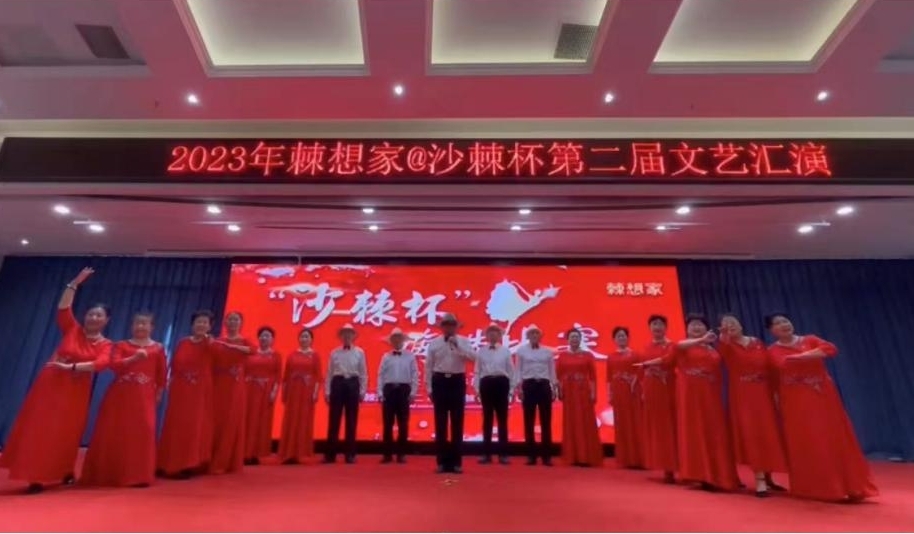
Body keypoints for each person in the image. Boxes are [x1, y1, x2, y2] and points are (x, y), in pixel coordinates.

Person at [0, 267, 113, 494]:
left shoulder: (106, 344)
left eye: (99, 315)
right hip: (50, 385)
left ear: (106, 320)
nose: (93, 318)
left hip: (75, 391)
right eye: (91, 314)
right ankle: (35, 475)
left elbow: (101, 364)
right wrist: (75, 283)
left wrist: (71, 367)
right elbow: (63, 308)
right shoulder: (72, 330)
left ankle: (64, 470)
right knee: (40, 428)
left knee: (65, 432)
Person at [765, 313, 878, 503]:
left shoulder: (810, 339)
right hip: (795, 402)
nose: (784, 324)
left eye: (786, 320)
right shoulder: (772, 351)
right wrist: (808, 356)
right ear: (771, 330)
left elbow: (830, 349)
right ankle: (820, 489)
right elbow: (780, 367)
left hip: (822, 397)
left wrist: (799, 356)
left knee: (834, 438)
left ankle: (850, 486)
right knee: (809, 442)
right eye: (778, 323)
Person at [81, 312, 167, 487]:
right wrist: (133, 358)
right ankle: (107, 474)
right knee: (114, 431)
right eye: (137, 323)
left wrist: (158, 394)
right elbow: (114, 366)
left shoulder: (158, 348)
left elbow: (162, 374)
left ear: (152, 327)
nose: (140, 326)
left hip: (144, 396)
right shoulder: (121, 345)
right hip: (119, 395)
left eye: (144, 323)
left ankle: (138, 476)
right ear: (132, 326)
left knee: (142, 431)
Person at [718, 313, 787, 497]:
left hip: (764, 393)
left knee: (768, 433)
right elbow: (723, 346)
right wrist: (724, 335)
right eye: (726, 324)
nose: (730, 325)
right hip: (744, 396)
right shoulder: (726, 346)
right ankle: (759, 479)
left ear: (741, 324)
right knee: (753, 434)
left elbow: (769, 366)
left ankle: (769, 476)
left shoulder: (757, 342)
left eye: (733, 322)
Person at [669, 314, 739, 492]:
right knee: (696, 432)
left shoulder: (711, 349)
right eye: (692, 325)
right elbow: (677, 346)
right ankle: (703, 475)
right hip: (691, 398)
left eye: (700, 325)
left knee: (714, 433)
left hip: (711, 396)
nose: (696, 327)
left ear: (707, 328)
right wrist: (701, 340)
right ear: (687, 329)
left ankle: (720, 475)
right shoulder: (684, 346)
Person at [157, 310, 216, 478]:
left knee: (192, 425)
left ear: (210, 326)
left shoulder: (211, 343)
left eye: (205, 322)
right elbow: (174, 364)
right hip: (179, 388)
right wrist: (169, 380)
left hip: (198, 390)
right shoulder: (183, 342)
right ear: (192, 324)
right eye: (198, 321)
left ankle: (186, 464)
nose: (201, 325)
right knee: (174, 424)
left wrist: (208, 341)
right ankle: (166, 462)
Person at [425, 312, 475, 474]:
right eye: (446, 325)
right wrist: (429, 388)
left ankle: (456, 462)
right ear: (442, 327)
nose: (449, 328)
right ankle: (441, 462)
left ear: (456, 327)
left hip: (457, 381)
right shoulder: (434, 343)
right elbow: (428, 366)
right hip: (440, 381)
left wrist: (458, 346)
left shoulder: (464, 341)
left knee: (457, 422)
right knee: (440, 423)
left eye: (452, 325)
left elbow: (473, 358)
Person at [211, 311, 255, 475]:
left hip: (235, 385)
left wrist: (232, 346)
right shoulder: (218, 341)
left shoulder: (244, 341)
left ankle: (226, 460)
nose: (233, 322)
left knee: (231, 420)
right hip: (218, 384)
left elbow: (253, 350)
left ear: (241, 323)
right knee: (216, 420)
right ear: (225, 322)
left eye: (236, 319)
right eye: (230, 319)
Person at [637, 314, 677, 483]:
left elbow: (670, 362)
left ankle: (676, 466)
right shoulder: (646, 347)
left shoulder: (672, 346)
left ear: (666, 327)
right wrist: (643, 390)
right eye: (654, 324)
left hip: (668, 388)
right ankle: (665, 466)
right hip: (651, 390)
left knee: (671, 426)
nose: (657, 327)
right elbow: (641, 371)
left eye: (660, 324)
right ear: (650, 328)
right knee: (657, 427)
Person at [555, 328, 603, 467]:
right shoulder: (562, 356)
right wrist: (559, 391)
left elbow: (592, 377)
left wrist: (593, 393)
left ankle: (586, 455)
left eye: (576, 337)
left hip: (583, 392)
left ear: (580, 339)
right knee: (571, 421)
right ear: (567, 340)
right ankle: (573, 455)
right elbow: (558, 376)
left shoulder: (587, 355)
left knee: (585, 421)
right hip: (569, 392)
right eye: (572, 337)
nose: (574, 339)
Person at [323, 323, 367, 464]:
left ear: (353, 336)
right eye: (344, 333)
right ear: (341, 336)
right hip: (338, 383)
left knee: (351, 420)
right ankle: (330, 454)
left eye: (350, 333)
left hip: (353, 384)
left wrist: (362, 390)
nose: (347, 336)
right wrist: (327, 391)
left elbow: (363, 373)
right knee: (334, 420)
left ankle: (350, 454)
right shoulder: (334, 352)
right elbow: (329, 373)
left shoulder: (360, 352)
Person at [514, 324, 556, 466]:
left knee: (546, 421)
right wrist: (518, 388)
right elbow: (518, 370)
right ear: (527, 336)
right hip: (529, 385)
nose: (534, 336)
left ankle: (547, 456)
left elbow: (551, 370)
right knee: (529, 421)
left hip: (544, 385)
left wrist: (554, 387)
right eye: (531, 333)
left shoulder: (547, 352)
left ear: (540, 336)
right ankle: (531, 455)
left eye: (537, 333)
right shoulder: (521, 351)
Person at [279, 328, 322, 465]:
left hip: (307, 391)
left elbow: (318, 377)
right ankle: (289, 452)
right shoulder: (292, 355)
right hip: (293, 391)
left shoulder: (315, 356)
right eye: (302, 336)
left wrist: (315, 392)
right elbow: (286, 376)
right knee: (291, 419)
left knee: (304, 419)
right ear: (298, 339)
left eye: (307, 337)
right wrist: (284, 393)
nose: (304, 339)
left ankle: (300, 452)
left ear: (311, 340)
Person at [474, 323, 515, 465]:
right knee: (487, 419)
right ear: (486, 335)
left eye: (495, 332)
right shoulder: (481, 352)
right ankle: (486, 453)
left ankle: (503, 454)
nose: (492, 334)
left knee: (502, 420)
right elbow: (477, 371)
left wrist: (511, 390)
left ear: (500, 335)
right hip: (487, 383)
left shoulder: (506, 351)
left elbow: (511, 371)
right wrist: (477, 390)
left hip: (501, 383)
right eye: (490, 332)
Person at [377, 327, 419, 464]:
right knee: (387, 423)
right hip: (389, 390)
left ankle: (401, 454)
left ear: (402, 340)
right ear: (391, 341)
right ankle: (387, 454)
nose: (396, 340)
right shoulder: (386, 356)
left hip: (403, 390)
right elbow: (380, 375)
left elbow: (415, 375)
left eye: (399, 338)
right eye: (394, 338)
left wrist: (413, 392)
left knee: (403, 423)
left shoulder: (410, 356)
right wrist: (380, 392)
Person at [606, 326, 644, 469]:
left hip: (632, 391)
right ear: (614, 339)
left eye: (623, 336)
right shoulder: (611, 357)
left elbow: (641, 373)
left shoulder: (635, 355)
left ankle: (638, 458)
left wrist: (635, 384)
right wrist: (610, 394)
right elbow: (609, 378)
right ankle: (625, 458)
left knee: (635, 422)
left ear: (628, 338)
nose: (621, 338)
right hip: (618, 392)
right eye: (618, 336)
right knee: (621, 423)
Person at [243, 326, 282, 466]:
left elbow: (278, 377)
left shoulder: (276, 355)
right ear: (258, 338)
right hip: (249, 390)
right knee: (247, 420)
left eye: (268, 336)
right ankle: (243, 452)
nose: (264, 338)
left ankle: (255, 453)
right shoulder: (251, 353)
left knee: (261, 422)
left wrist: (274, 392)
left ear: (272, 339)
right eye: (262, 336)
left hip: (265, 391)